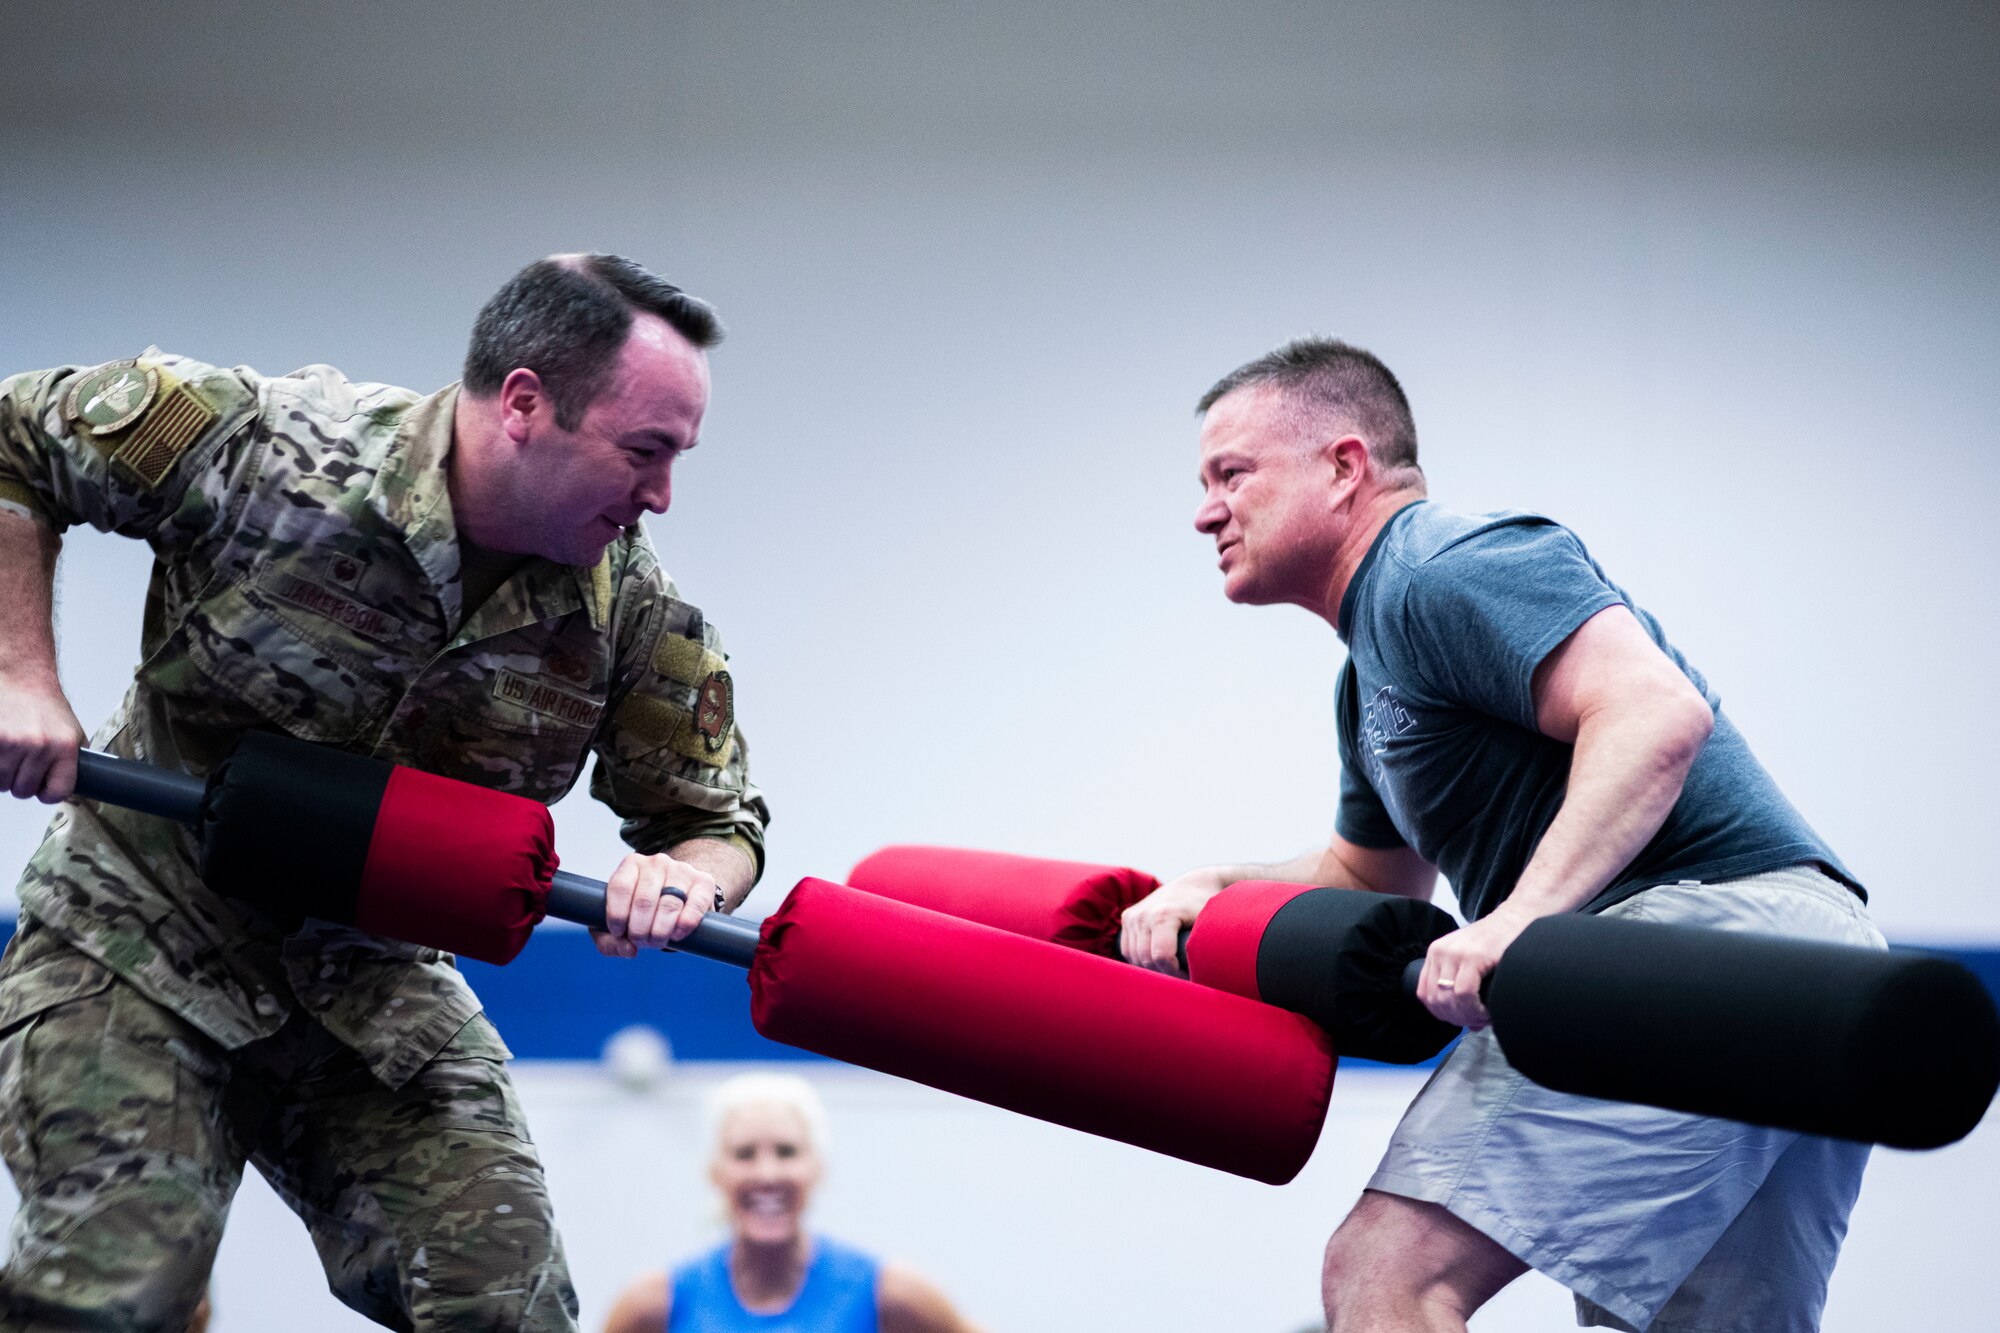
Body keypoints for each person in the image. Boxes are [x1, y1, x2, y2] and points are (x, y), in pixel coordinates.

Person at [0, 254, 770, 1330]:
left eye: (675, 459)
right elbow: (17, 438)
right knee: (116, 1300)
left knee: (506, 1306)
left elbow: (714, 822)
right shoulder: (266, 449)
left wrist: (684, 880)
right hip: (137, 941)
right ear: (523, 405)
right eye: (642, 452)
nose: (660, 495)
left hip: (369, 987)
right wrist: (18, 673)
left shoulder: (631, 615)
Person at [1118, 338, 1882, 1333]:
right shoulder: (1370, 677)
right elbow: (1367, 882)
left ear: (1344, 466)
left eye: (1232, 473)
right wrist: (1212, 886)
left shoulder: (1441, 563)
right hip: (1799, 968)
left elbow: (1654, 713)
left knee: (1386, 1274)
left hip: (1700, 943)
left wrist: (1518, 917)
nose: (1204, 509)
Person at [602, 1073, 983, 1333]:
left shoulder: (893, 1295)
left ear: (816, 1167)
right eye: (744, 1154)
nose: (767, 1174)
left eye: (786, 1152)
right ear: (715, 1172)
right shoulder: (654, 1305)